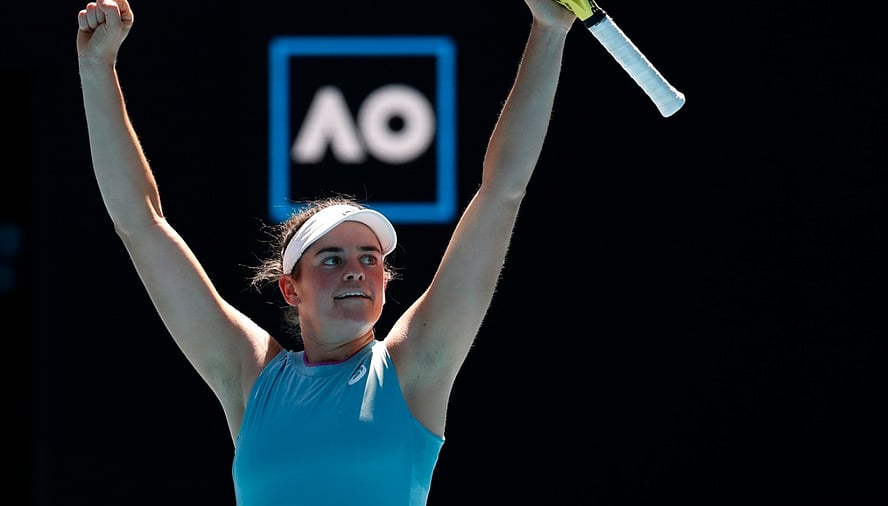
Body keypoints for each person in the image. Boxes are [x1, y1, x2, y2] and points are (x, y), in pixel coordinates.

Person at [76, 0, 576, 504]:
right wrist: (97, 69)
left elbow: (502, 192)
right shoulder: (252, 378)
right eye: (332, 260)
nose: (356, 271)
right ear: (291, 288)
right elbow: (141, 224)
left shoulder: (415, 365)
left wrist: (547, 30)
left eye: (369, 258)